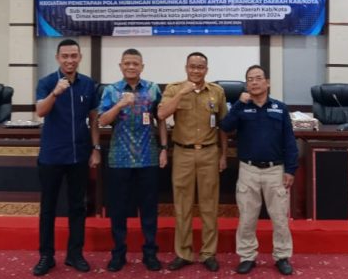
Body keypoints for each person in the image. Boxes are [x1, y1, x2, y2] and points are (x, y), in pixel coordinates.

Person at [219, 64, 298, 276]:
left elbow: (289, 141)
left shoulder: (280, 108)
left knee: (280, 218)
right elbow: (225, 127)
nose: (254, 82)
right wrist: (238, 104)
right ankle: (247, 256)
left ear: (267, 82)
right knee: (247, 218)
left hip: (275, 170)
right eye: (250, 79)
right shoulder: (241, 108)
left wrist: (290, 170)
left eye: (258, 78)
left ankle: (282, 256)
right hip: (248, 170)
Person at [32, 39, 100, 276]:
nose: (69, 60)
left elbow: (94, 119)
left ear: (80, 57)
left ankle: (75, 254)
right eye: (65, 56)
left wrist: (95, 148)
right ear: (58, 58)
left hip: (79, 155)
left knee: (78, 207)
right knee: (48, 208)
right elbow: (40, 111)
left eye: (74, 56)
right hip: (51, 155)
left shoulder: (88, 84)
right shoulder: (47, 82)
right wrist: (55, 93)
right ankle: (46, 256)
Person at [98, 48, 168, 272]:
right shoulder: (111, 90)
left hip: (148, 158)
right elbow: (102, 121)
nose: (131, 67)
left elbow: (161, 119)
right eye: (127, 63)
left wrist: (164, 148)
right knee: (118, 210)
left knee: (149, 209)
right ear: (120, 66)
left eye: (135, 63)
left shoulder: (153, 89)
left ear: (142, 67)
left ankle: (150, 253)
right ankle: (118, 254)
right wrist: (119, 105)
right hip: (119, 159)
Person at [158, 52, 228, 272]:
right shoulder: (174, 88)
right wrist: (182, 93)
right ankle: (183, 253)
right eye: (192, 66)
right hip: (183, 153)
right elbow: (162, 114)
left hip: (209, 153)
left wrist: (224, 154)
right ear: (186, 68)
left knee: (209, 205)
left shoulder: (217, 92)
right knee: (182, 206)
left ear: (206, 70)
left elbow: (223, 125)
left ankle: (208, 253)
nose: (196, 70)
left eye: (200, 67)